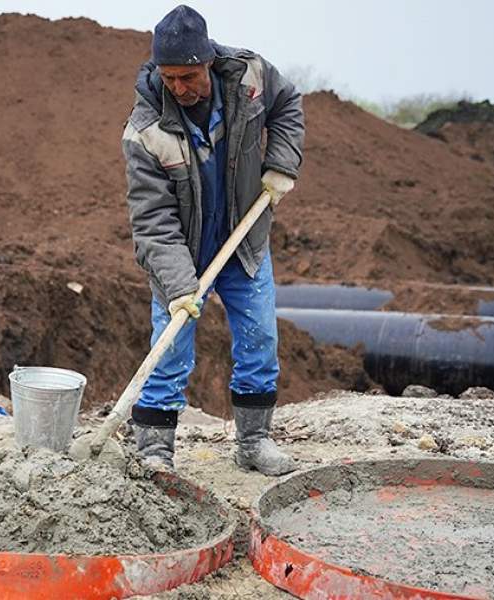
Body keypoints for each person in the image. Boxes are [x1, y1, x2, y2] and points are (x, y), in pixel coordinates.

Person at [121, 5, 305, 475]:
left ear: (207, 61)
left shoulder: (250, 78)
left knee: (260, 337)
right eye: (169, 78)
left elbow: (288, 106)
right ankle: (155, 453)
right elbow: (153, 222)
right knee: (171, 349)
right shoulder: (146, 133)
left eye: (187, 76)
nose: (179, 88)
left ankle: (253, 442)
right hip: (183, 252)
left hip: (243, 240)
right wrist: (181, 287)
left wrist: (281, 163)